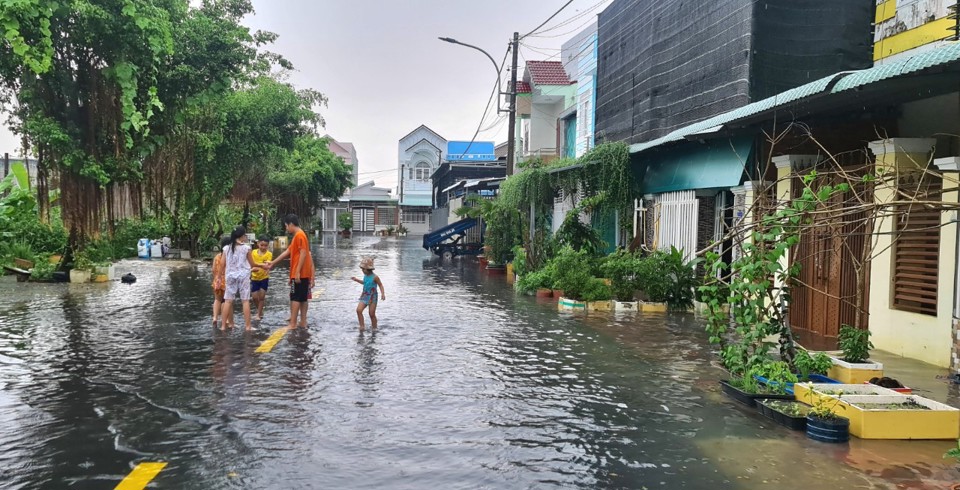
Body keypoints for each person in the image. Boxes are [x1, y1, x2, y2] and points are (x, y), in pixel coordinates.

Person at [268, 214, 312, 329]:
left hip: (299, 274)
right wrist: (273, 262)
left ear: (291, 224)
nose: (286, 229)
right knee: (302, 298)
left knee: (295, 297)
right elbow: (288, 251)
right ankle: (302, 322)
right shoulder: (298, 236)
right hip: (302, 273)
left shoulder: (299, 235)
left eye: (286, 226)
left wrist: (297, 272)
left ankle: (293, 324)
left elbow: (303, 253)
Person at [221, 226, 265, 331]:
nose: (245, 236)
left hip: (230, 276)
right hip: (243, 276)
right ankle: (248, 326)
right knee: (245, 301)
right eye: (245, 235)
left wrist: (219, 276)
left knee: (228, 301)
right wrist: (264, 266)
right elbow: (252, 263)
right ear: (241, 236)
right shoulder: (246, 248)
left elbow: (222, 264)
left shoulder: (226, 248)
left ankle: (223, 326)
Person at [352, 257, 385, 332]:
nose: (362, 271)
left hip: (373, 297)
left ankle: (374, 328)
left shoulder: (375, 277)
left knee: (371, 314)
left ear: (369, 269)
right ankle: (362, 326)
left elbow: (380, 285)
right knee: (358, 310)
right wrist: (356, 280)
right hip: (365, 295)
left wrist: (383, 294)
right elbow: (365, 283)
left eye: (363, 269)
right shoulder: (365, 276)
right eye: (362, 269)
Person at [250, 237, 273, 321]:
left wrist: (267, 269)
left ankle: (258, 314)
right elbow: (250, 263)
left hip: (264, 278)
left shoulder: (269, 254)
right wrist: (252, 269)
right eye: (261, 245)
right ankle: (260, 310)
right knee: (255, 297)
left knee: (262, 296)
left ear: (268, 246)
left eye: (265, 246)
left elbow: (267, 265)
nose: (263, 247)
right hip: (254, 277)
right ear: (258, 244)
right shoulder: (253, 253)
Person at [211, 237, 231, 327]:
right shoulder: (230, 257)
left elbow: (213, 270)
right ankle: (225, 319)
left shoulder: (217, 256)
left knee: (217, 300)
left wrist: (217, 278)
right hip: (227, 282)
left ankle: (215, 317)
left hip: (217, 281)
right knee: (225, 301)